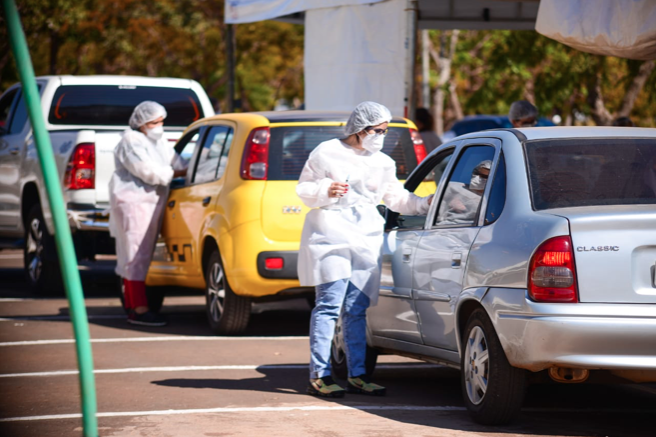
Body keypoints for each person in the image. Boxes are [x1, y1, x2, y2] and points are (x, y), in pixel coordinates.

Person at [296, 101, 433, 398]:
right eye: (377, 130)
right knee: (329, 305)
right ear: (360, 129)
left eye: (385, 131)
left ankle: (358, 375)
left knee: (356, 309)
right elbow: (304, 189)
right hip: (330, 236)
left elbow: (395, 198)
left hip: (365, 237)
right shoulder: (326, 152)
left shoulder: (381, 162)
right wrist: (325, 191)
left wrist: (425, 203)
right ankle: (319, 375)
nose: (381, 136)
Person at [108, 101, 187, 327]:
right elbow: (149, 173)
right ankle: (139, 309)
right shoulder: (131, 141)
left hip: (150, 203)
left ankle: (133, 305)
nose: (159, 126)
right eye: (154, 122)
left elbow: (178, 163)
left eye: (161, 121)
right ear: (141, 123)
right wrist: (177, 172)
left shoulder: (157, 141)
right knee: (135, 256)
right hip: (133, 202)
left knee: (138, 256)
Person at [437, 160, 491, 225]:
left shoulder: (493, 201)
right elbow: (429, 205)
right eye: (476, 173)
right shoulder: (453, 188)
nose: (477, 177)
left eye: (484, 176)